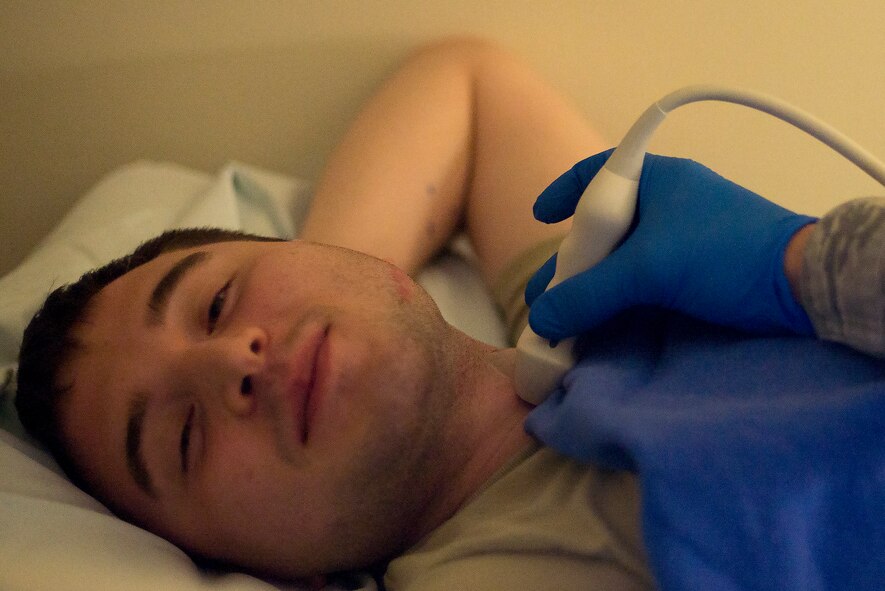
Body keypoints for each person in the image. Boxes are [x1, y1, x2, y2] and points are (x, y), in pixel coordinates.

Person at [13, 37, 884, 590]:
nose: (233, 361)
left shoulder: (583, 292)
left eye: (216, 302)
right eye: (183, 438)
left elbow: (468, 85)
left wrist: (810, 262)